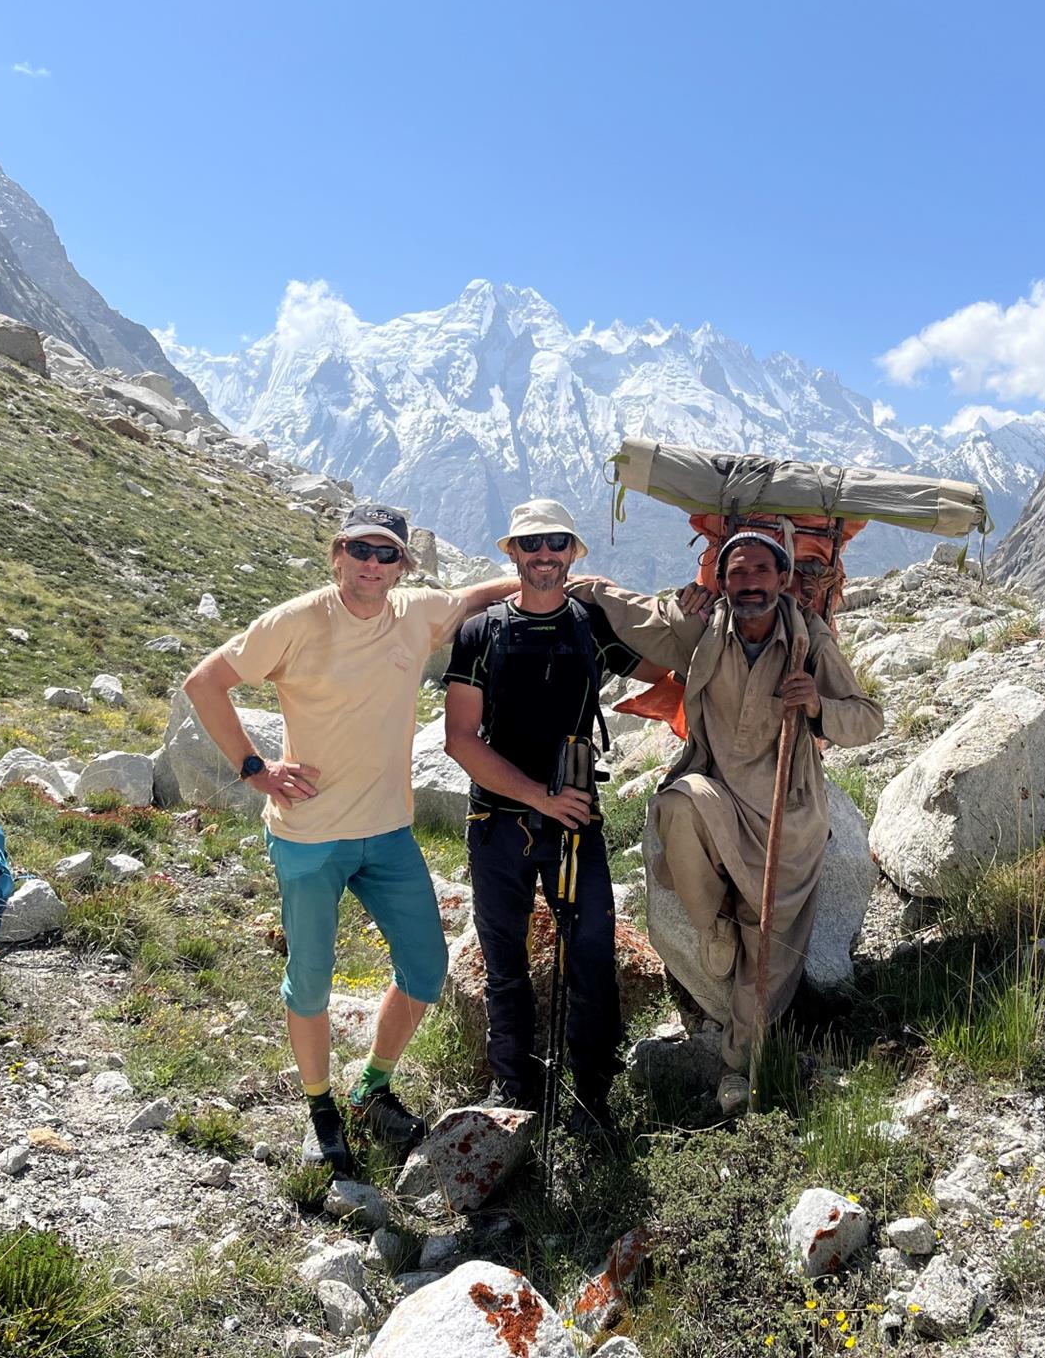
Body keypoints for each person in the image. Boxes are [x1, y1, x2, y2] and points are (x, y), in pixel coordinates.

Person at [183, 502, 518, 1173]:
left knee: (425, 969)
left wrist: (557, 574)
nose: (371, 563)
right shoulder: (297, 620)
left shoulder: (415, 613)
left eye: (386, 553)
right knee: (310, 981)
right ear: (337, 555)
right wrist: (256, 769)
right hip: (309, 835)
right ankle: (320, 1109)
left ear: (402, 565)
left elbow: (478, 595)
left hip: (387, 833)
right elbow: (205, 682)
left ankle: (371, 1089)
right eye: (360, 550)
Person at [573, 531, 883, 1115]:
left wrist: (817, 704)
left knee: (768, 950)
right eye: (736, 572)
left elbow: (867, 719)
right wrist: (585, 588)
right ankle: (712, 927)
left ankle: (739, 1067)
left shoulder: (808, 640)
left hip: (787, 813)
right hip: (718, 792)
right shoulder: (706, 628)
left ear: (783, 579)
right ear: (722, 582)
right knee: (675, 805)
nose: (749, 583)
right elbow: (639, 616)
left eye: (761, 570)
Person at [442, 499, 665, 1138]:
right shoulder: (480, 632)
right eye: (532, 543)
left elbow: (665, 668)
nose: (545, 554)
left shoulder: (592, 625)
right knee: (503, 957)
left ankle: (591, 1096)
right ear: (513, 552)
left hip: (573, 820)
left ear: (572, 552)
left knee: (591, 954)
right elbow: (460, 740)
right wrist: (541, 796)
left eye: (556, 543)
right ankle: (514, 1091)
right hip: (502, 821)